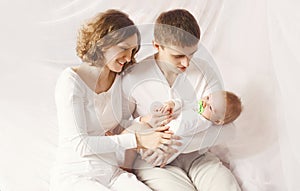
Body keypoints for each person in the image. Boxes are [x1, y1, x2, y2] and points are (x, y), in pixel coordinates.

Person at [49, 9, 180, 191]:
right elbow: (81, 144)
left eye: (133, 50)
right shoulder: (71, 82)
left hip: (111, 171)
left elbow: (116, 127)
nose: (128, 58)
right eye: (123, 48)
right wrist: (138, 140)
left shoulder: (118, 78)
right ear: (102, 43)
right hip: (77, 174)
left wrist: (146, 121)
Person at [121, 9, 242, 190]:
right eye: (177, 56)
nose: (186, 63)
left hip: (198, 156)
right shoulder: (133, 78)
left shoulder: (205, 71)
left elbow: (227, 129)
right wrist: (150, 133)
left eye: (192, 54)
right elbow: (123, 127)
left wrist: (179, 145)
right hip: (154, 161)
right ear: (157, 45)